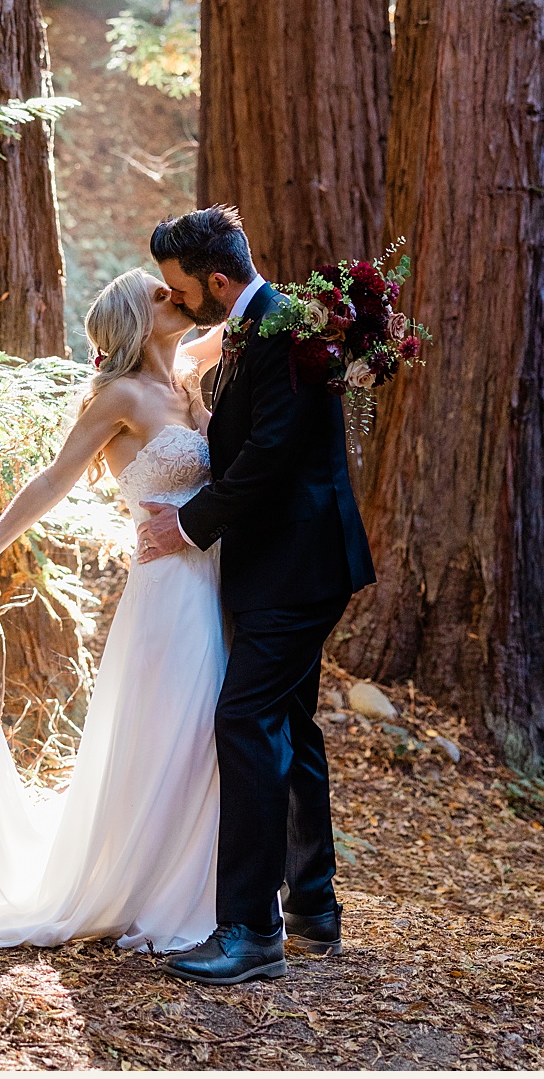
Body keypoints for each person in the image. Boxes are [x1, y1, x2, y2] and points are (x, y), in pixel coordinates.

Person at [0, 272, 227, 952]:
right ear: (134, 320)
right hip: (169, 590)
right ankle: (153, 894)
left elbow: (248, 313)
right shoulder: (120, 395)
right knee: (179, 729)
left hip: (217, 578)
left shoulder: (184, 379)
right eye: (160, 294)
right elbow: (55, 477)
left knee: (207, 735)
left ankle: (199, 890)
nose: (177, 297)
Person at [136, 205, 377, 986]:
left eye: (183, 289)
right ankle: (313, 909)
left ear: (216, 279)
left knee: (244, 717)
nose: (181, 302)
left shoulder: (279, 327)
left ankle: (248, 930)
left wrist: (188, 525)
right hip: (293, 562)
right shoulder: (266, 322)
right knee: (290, 723)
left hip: (296, 566)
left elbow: (272, 449)